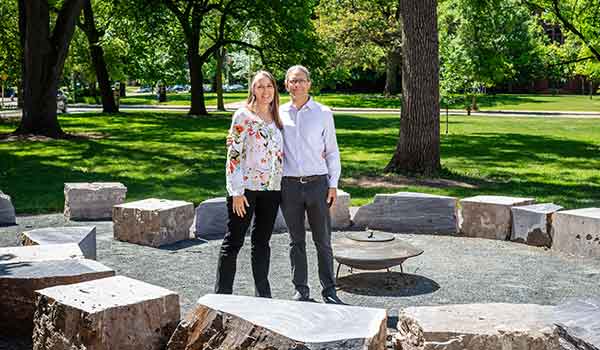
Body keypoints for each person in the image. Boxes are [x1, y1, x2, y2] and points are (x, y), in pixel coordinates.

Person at [279, 65, 344, 304]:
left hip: (318, 184)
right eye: (292, 81)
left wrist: (333, 184)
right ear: (286, 85)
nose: (297, 85)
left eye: (301, 80)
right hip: (289, 186)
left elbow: (332, 151)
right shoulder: (279, 113)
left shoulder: (323, 112)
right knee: (296, 241)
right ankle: (301, 289)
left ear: (309, 84)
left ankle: (329, 289)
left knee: (322, 240)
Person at [215, 71, 283, 298]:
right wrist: (235, 192)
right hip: (245, 190)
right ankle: (222, 295)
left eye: (269, 86)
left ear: (275, 89)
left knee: (262, 243)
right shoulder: (243, 116)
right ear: (253, 90)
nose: (266, 91)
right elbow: (233, 156)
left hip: (271, 190)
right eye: (260, 86)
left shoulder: (277, 119)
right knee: (233, 242)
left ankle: (263, 295)